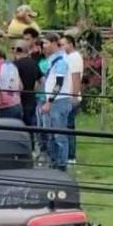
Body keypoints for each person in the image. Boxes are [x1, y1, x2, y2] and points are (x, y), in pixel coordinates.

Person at [40, 32, 72, 171]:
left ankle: (61, 164)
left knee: (59, 134)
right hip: (52, 100)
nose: (44, 46)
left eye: (46, 43)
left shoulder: (61, 61)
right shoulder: (52, 59)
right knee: (51, 134)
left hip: (58, 101)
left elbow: (58, 83)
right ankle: (54, 162)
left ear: (54, 43)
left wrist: (50, 101)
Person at [61, 34, 84, 164]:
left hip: (71, 96)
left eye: (64, 44)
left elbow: (75, 77)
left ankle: (71, 155)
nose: (62, 47)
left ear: (71, 44)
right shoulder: (66, 57)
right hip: (65, 95)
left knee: (69, 127)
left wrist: (74, 96)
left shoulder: (75, 58)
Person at [12, 41, 42, 128]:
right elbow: (40, 81)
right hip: (32, 98)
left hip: (19, 100)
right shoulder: (34, 63)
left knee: (19, 127)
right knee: (31, 126)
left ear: (17, 50)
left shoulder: (15, 65)